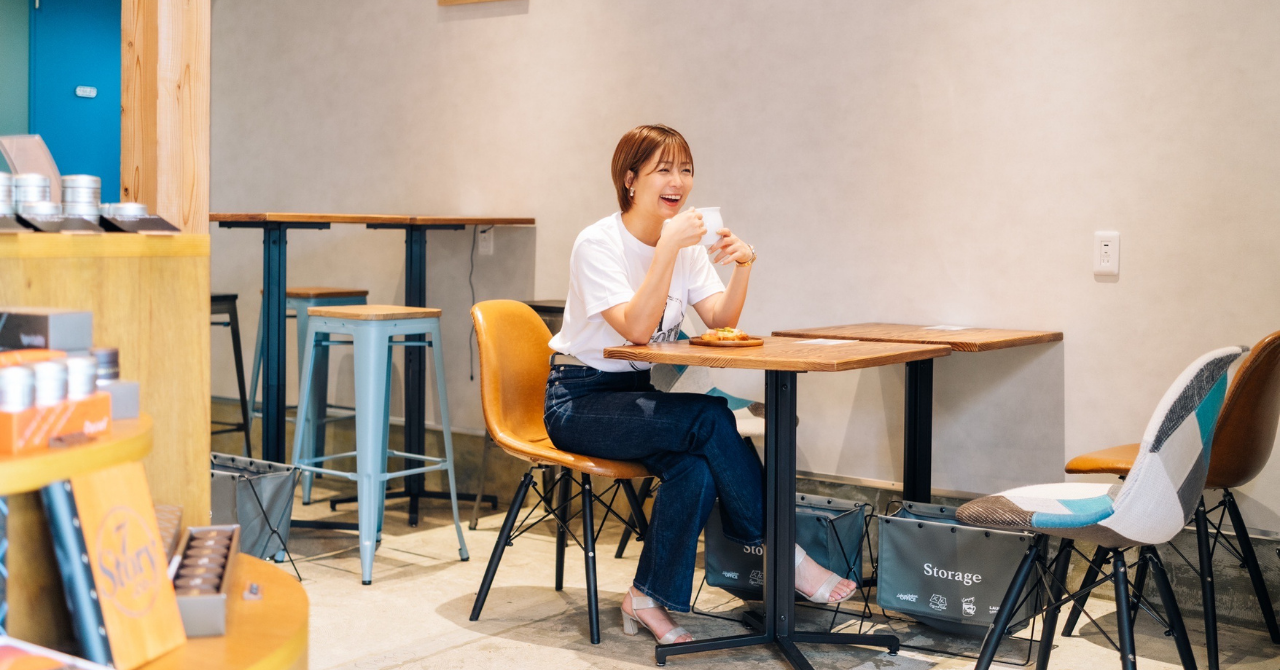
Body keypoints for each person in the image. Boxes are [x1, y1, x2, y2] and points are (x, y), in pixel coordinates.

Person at [544, 124, 855, 645]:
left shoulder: (686, 247)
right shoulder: (598, 243)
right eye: (663, 169)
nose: (678, 181)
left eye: (686, 170)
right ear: (629, 179)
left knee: (696, 468)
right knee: (710, 418)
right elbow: (637, 329)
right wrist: (667, 248)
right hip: (578, 399)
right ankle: (786, 553)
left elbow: (720, 321)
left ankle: (645, 597)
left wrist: (744, 264)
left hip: (637, 397)